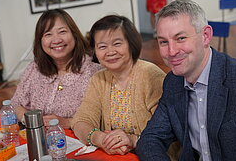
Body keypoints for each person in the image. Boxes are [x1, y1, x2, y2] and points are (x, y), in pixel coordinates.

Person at [136, 0, 236, 160]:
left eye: (180, 38)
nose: (171, 51)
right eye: (163, 42)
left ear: (206, 36)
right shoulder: (173, 82)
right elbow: (150, 139)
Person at [71, 15, 166, 155]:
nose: (110, 52)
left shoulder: (150, 75)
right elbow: (80, 121)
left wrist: (133, 140)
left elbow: (166, 131)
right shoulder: (99, 79)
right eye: (102, 46)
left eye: (117, 44)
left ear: (131, 44)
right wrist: (100, 138)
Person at [11, 9, 102, 129]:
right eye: (48, 34)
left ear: (74, 34)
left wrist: (68, 122)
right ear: (40, 41)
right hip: (38, 139)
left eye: (62, 32)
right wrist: (29, 120)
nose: (57, 40)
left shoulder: (94, 72)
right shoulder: (34, 69)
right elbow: (16, 103)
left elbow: (103, 117)